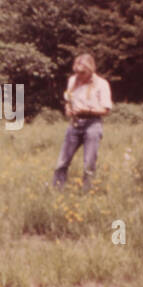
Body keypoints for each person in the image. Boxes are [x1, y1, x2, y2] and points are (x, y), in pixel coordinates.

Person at [52, 53, 112, 190]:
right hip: (74, 124)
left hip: (92, 125)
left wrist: (87, 111)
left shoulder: (101, 84)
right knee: (62, 161)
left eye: (82, 73)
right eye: (77, 72)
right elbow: (68, 99)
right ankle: (56, 190)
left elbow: (106, 110)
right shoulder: (72, 80)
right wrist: (68, 109)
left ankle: (87, 193)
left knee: (89, 163)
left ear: (91, 70)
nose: (79, 75)